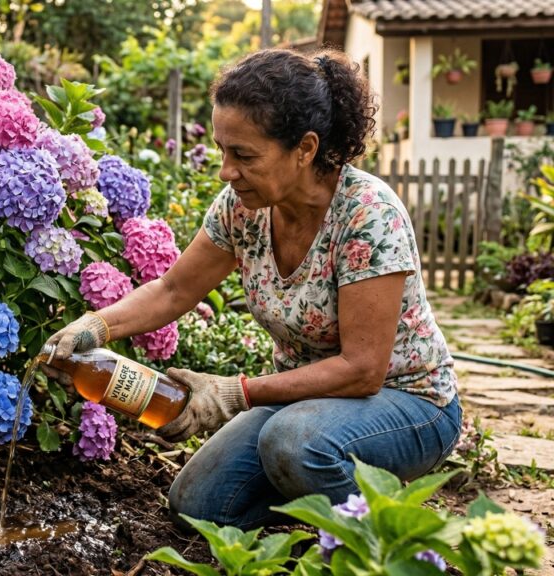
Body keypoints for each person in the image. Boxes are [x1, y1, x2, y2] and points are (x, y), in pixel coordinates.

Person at [43, 48, 461, 529]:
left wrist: (231, 394)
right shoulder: (243, 207)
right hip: (305, 404)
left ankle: (386, 539)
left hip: (407, 403)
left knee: (292, 443)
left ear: (305, 149)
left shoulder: (368, 215)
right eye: (223, 150)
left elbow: (363, 370)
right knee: (199, 505)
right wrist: (95, 327)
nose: (225, 170)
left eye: (244, 155)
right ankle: (322, 501)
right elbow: (174, 290)